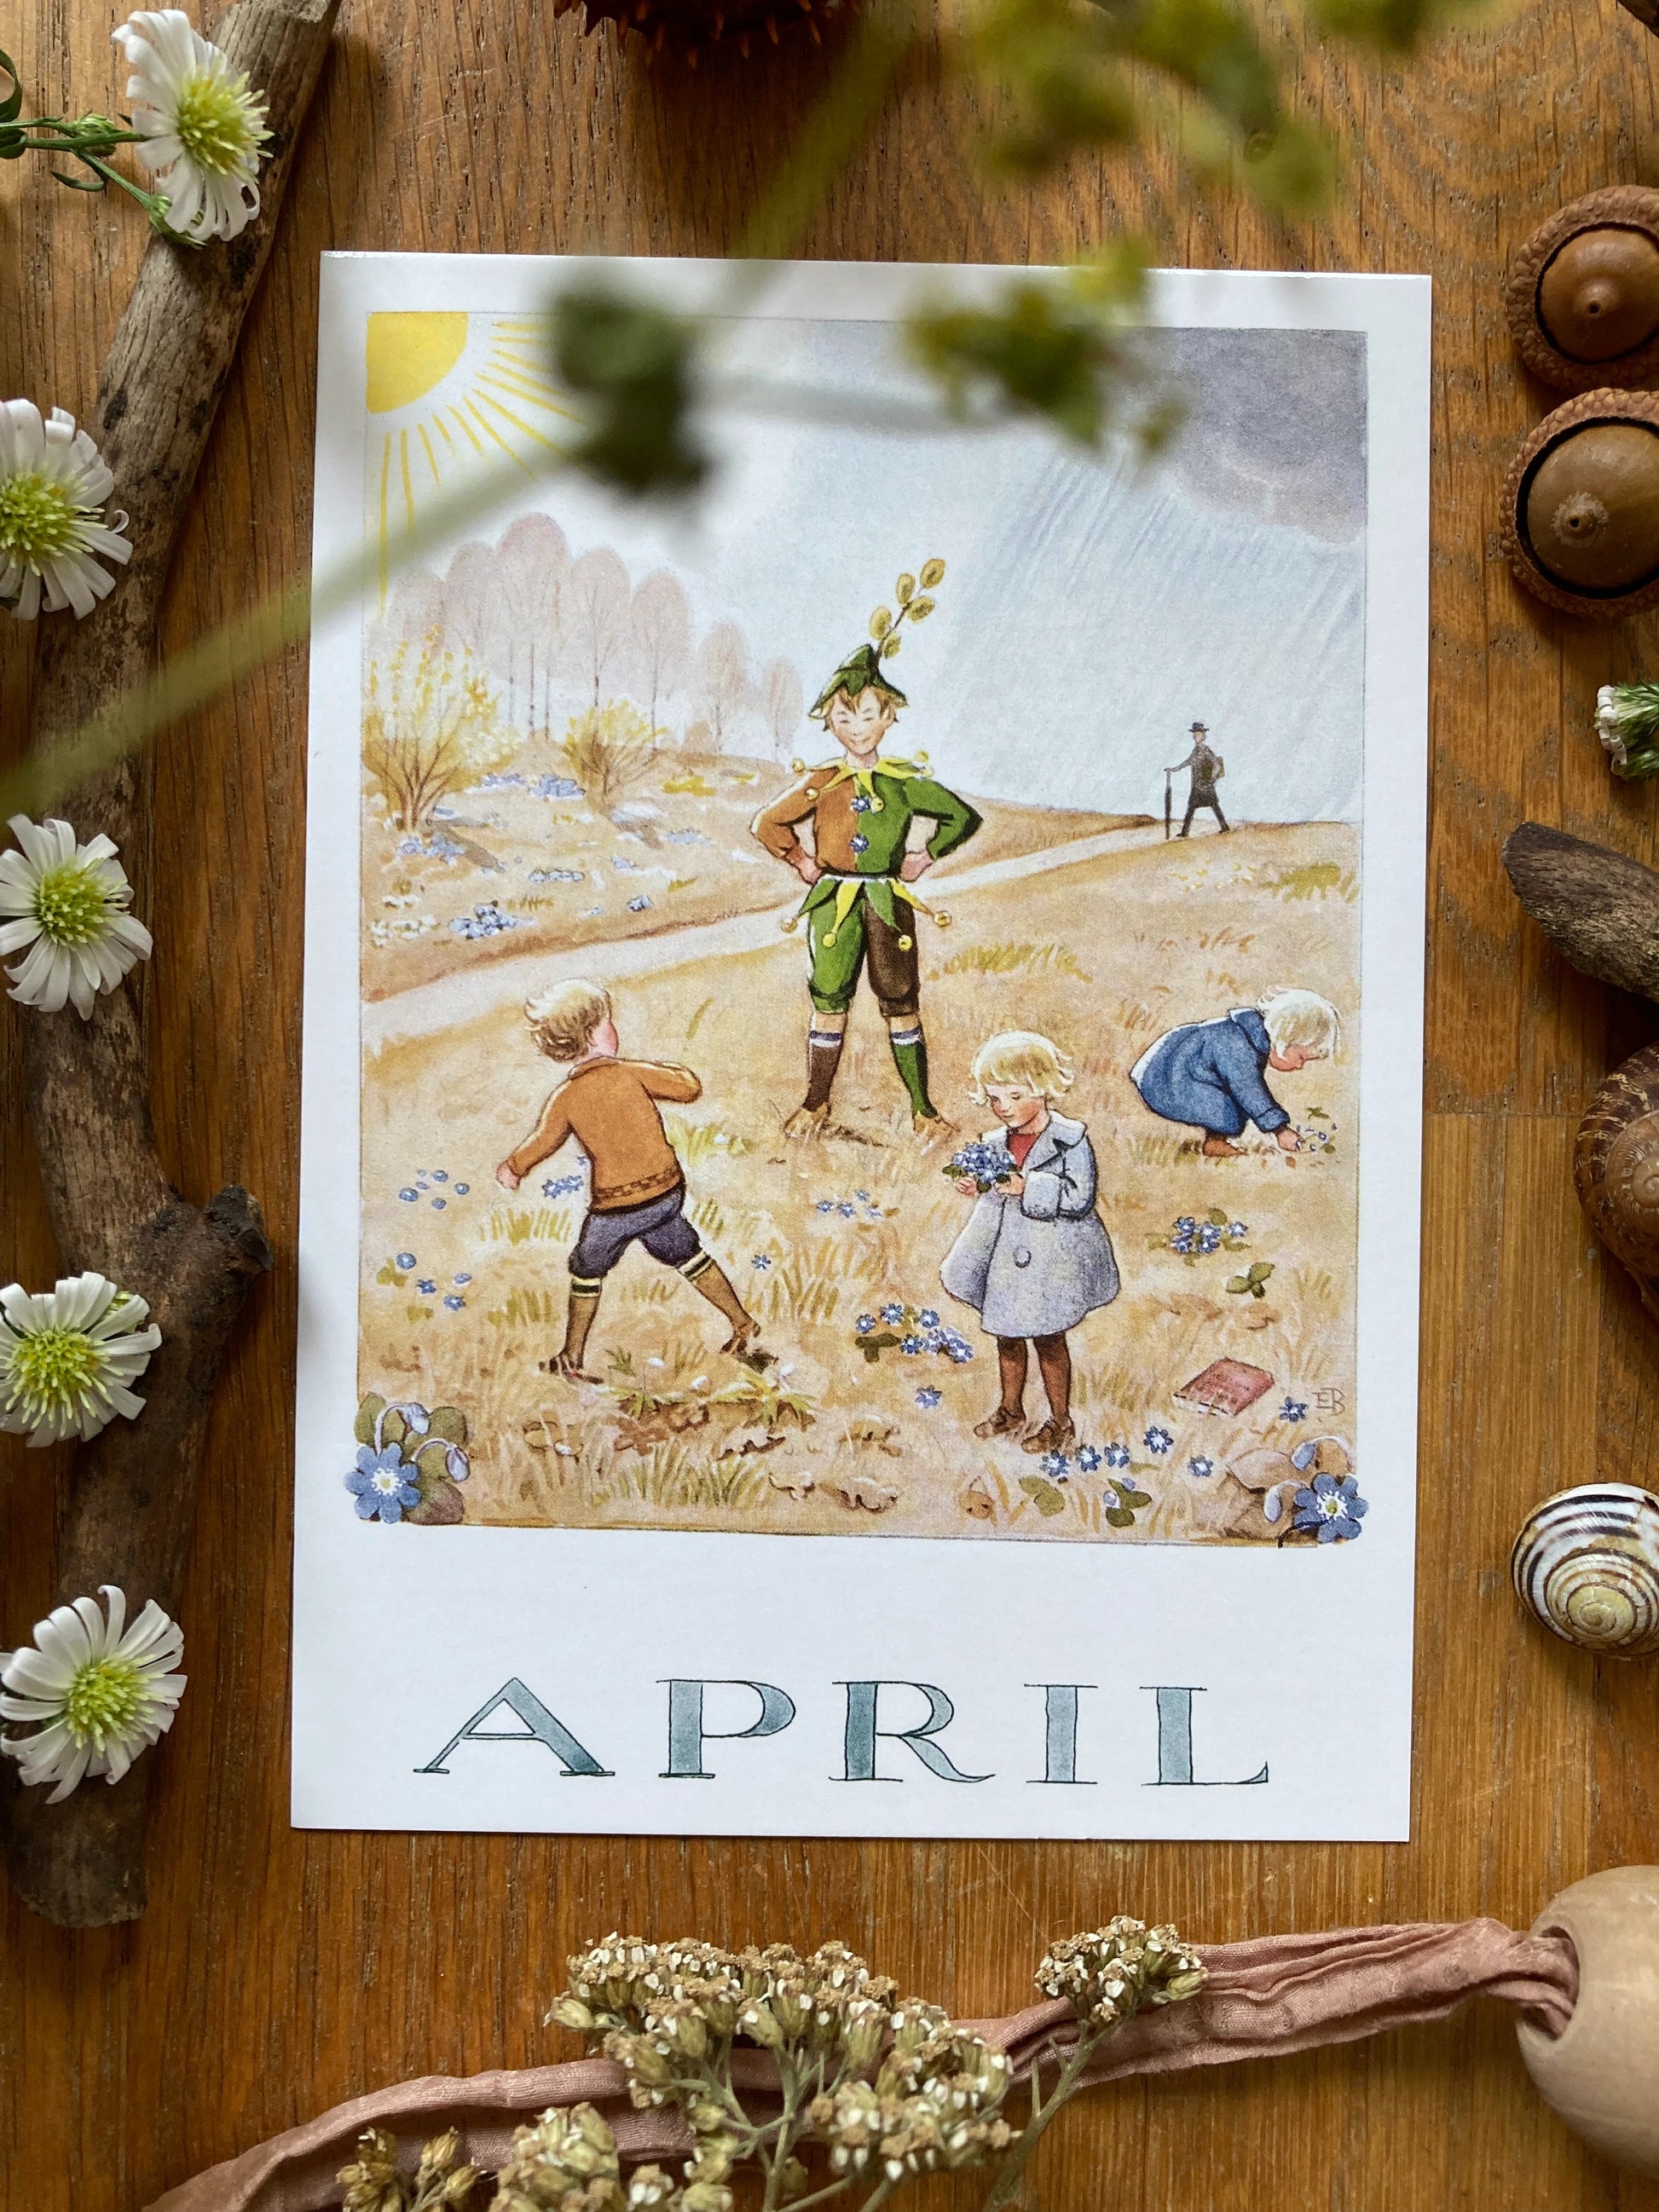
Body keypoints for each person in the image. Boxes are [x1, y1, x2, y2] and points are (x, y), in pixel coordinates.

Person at [751, 623, 980, 1140]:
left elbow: (963, 818)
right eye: (843, 717)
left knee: (901, 1001)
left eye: (869, 714)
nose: (857, 727)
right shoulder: (821, 782)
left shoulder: (903, 784)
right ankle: (815, 1105)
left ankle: (924, 1112)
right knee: (829, 1001)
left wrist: (926, 854)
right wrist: (801, 861)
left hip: (887, 902)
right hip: (832, 903)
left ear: (889, 716)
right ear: (829, 722)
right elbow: (767, 824)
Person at [495, 979, 766, 1376]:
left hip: (616, 1208)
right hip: (665, 1194)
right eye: (608, 1022)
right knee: (688, 1254)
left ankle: (572, 1357)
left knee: (586, 1270)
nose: (613, 1028)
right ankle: (742, 1322)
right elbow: (689, 1088)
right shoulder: (631, 1073)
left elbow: (543, 1141)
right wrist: (670, 1071)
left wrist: (514, 1167)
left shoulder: (565, 1098)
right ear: (592, 1034)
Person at [939, 1030, 1119, 1456]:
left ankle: (1060, 1422)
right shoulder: (994, 1142)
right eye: (995, 1098)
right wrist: (978, 1185)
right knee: (1006, 1335)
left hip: (1051, 1260)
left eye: (1015, 1096)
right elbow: (996, 1187)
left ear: (1043, 1089)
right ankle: (1010, 1409)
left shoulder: (1071, 1139)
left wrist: (1029, 1187)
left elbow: (1079, 1197)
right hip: (1005, 1257)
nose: (1003, 1107)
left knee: (1049, 1340)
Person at [1130, 988, 1341, 1158]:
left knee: (1232, 1098)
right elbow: (1249, 1091)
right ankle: (1214, 1144)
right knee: (1235, 1108)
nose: (1300, 1066)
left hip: (1165, 1074)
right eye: (1301, 1057)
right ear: (1283, 1039)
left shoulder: (1244, 1034)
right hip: (1165, 1083)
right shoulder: (1239, 1047)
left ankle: (1214, 1141)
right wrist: (1280, 1130)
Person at [1167, 720, 1228, 835]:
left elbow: (1216, 764)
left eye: (1198, 734)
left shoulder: (1206, 750)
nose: (1195, 737)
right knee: (1191, 808)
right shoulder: (1196, 750)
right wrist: (1174, 769)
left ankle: (1224, 827)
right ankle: (1185, 832)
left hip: (1205, 785)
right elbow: (1187, 762)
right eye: (1195, 734)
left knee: (1213, 806)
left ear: (1203, 736)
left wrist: (1212, 778)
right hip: (1197, 786)